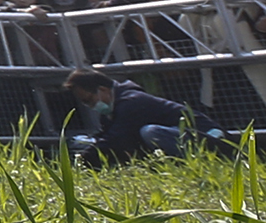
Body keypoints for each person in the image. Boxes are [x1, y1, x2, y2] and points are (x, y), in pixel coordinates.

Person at [58, 68, 212, 161]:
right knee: (82, 141)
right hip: (178, 136)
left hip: (206, 137)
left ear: (103, 90)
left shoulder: (132, 102)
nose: (91, 106)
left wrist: (83, 162)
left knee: (151, 132)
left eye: (90, 100)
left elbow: (117, 138)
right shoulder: (112, 109)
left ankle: (196, 160)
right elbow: (108, 138)